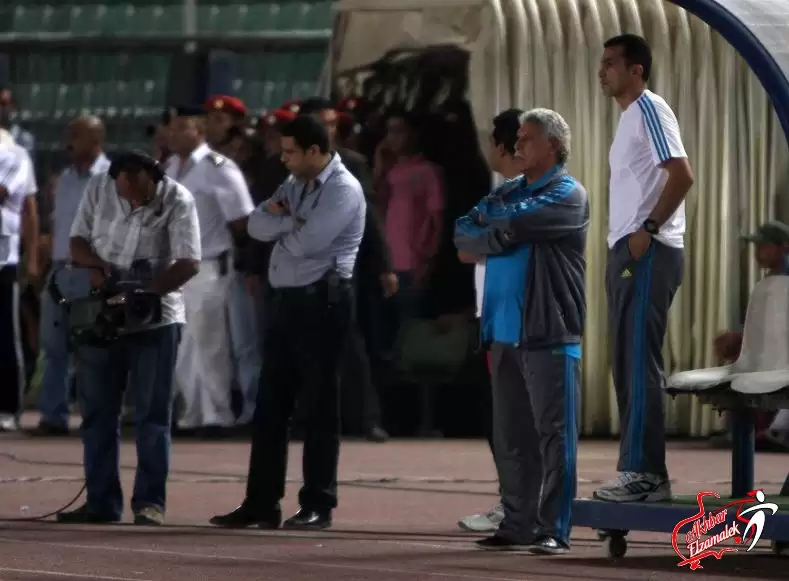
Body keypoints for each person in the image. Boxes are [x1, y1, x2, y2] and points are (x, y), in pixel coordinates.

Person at [210, 115, 365, 530]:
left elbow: (311, 242)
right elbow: (256, 225)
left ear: (316, 151)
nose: (284, 159)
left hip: (323, 303)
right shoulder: (294, 186)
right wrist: (289, 223)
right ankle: (261, 502)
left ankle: (318, 502)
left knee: (318, 407)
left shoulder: (343, 190)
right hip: (288, 303)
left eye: (291, 151)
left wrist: (286, 227)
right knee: (271, 405)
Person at [454, 108, 588, 554]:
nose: (518, 146)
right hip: (503, 332)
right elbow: (462, 231)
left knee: (554, 436)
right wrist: (500, 235)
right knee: (512, 438)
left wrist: (494, 234)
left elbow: (509, 224)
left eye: (527, 139)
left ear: (552, 145)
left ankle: (555, 528)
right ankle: (517, 524)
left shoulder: (568, 193)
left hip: (546, 331)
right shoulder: (511, 189)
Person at [56, 151, 201, 524]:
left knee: (152, 416)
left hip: (156, 319)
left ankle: (150, 503)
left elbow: (189, 262)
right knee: (98, 413)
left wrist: (147, 292)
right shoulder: (99, 187)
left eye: (139, 194)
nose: (133, 201)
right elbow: (76, 241)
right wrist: (99, 270)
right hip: (104, 312)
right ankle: (102, 501)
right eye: (126, 194)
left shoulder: (179, 199)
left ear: (152, 177)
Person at [595, 34, 694, 502]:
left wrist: (648, 229)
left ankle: (646, 473)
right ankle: (637, 469)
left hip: (648, 250)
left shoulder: (651, 109)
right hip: (630, 249)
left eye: (612, 63)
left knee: (638, 360)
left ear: (636, 70)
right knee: (626, 361)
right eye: (602, 63)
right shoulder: (629, 121)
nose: (603, 71)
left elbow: (682, 173)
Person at [298, 96, 392, 442]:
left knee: (350, 342)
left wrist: (384, 265)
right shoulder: (283, 163)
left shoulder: (352, 163)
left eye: (333, 123)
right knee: (297, 343)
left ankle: (366, 419)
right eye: (322, 122)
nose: (329, 129)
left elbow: (370, 215)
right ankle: (303, 418)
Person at [165, 105, 255, 435]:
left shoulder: (218, 166)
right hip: (176, 267)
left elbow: (242, 217)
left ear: (199, 132)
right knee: (183, 344)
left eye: (181, 128)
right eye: (172, 128)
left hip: (209, 264)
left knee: (209, 342)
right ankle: (192, 413)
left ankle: (216, 415)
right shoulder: (171, 166)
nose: (173, 134)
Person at [457, 108, 524, 533]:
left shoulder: (533, 193)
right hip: (492, 316)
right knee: (502, 417)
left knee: (515, 419)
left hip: (515, 317)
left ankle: (520, 504)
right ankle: (515, 500)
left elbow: (503, 242)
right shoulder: (498, 192)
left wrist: (486, 241)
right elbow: (465, 243)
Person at [36, 115, 109, 436]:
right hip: (60, 271)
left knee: (93, 350)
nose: (69, 142)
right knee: (54, 348)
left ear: (95, 141)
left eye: (76, 136)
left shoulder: (110, 178)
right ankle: (53, 416)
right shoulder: (65, 179)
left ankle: (96, 416)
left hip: (89, 272)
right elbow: (58, 225)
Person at [203, 95, 262, 428]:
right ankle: (219, 405)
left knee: (245, 341)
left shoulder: (249, 160)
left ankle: (253, 407)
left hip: (240, 260)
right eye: (210, 118)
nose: (213, 125)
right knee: (215, 340)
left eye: (221, 119)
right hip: (209, 261)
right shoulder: (202, 161)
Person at [715, 221, 789, 452]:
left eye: (764, 246)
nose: (757, 253)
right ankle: (756, 429)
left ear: (784, 247)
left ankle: (775, 430)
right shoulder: (768, 282)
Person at [0, 146, 39, 432]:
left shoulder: (13, 154)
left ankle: (8, 407)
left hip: (3, 260)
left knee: (6, 334)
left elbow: (4, 192)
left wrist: (33, 256)